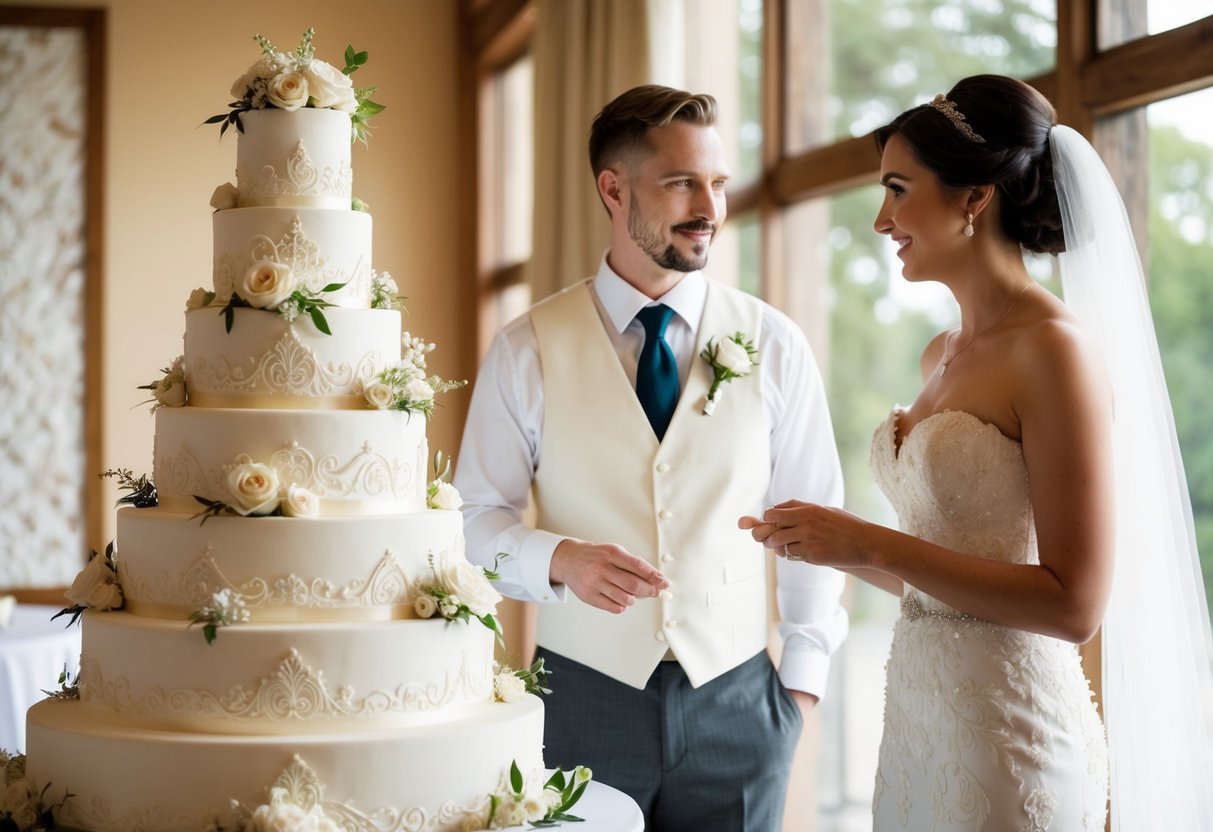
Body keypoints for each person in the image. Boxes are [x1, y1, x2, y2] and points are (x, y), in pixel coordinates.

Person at [742, 73, 1213, 831]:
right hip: (921, 729)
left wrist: (873, 541)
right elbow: (944, 582)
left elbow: (1074, 603)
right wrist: (827, 544)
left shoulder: (1052, 352)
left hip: (1010, 745)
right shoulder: (938, 354)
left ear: (973, 197)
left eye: (897, 190)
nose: (879, 220)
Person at [454, 84, 848, 830]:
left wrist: (797, 691)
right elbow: (469, 524)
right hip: (575, 703)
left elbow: (814, 523)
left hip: (740, 705)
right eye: (680, 183)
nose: (709, 206)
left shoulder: (773, 344)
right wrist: (558, 559)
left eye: (717, 183)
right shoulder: (525, 349)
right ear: (613, 188)